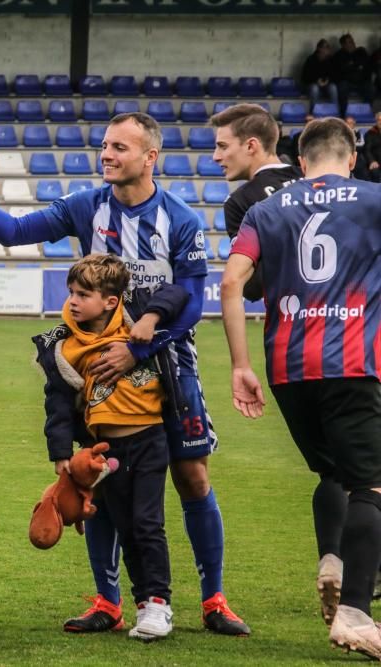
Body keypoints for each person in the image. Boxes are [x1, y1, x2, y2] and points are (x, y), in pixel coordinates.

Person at [0, 112, 251, 637]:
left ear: (150, 158)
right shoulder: (85, 206)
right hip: (98, 373)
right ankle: (108, 600)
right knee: (96, 480)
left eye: (120, 147)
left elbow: (190, 300)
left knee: (192, 477)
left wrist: (137, 350)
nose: (107, 154)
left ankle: (214, 598)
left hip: (168, 365)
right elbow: (16, 232)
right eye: (104, 145)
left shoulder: (180, 219)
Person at [221, 116, 380, 656]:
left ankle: (332, 556)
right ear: (351, 158)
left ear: (302, 161)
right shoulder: (372, 199)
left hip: (287, 369)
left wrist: (241, 365)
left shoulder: (265, 209)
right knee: (373, 485)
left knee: (333, 471)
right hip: (353, 363)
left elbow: (231, 282)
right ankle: (357, 615)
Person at [36, 254, 192, 641]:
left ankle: (159, 603)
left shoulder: (136, 316)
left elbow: (180, 292)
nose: (73, 300)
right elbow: (56, 404)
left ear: (110, 300)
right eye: (72, 292)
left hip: (151, 438)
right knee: (127, 526)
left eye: (83, 294)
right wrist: (61, 457)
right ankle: (143, 605)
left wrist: (151, 319)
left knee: (147, 523)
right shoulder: (64, 347)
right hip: (107, 453)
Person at [211, 103, 301, 301]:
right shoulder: (314, 178)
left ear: (251, 146)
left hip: (291, 320)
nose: (215, 157)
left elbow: (251, 288)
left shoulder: (241, 202)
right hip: (351, 317)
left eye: (222, 146)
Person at [332, 34, 373, 117]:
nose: (353, 43)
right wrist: (357, 66)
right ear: (343, 45)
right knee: (342, 86)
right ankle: (343, 114)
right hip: (347, 83)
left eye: (353, 41)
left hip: (361, 82)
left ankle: (367, 112)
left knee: (371, 88)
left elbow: (368, 67)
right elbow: (339, 72)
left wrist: (351, 66)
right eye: (350, 42)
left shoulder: (361, 52)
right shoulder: (338, 55)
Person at [302, 39, 339, 112]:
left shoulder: (331, 60)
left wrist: (328, 80)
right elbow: (305, 77)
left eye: (328, 47)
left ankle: (335, 113)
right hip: (313, 84)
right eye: (325, 47)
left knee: (333, 88)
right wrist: (316, 81)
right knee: (314, 88)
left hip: (327, 85)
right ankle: (314, 113)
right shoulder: (311, 59)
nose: (327, 49)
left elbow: (336, 76)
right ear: (319, 48)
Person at [364, 111, 381, 183]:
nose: (380, 122)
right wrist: (372, 161)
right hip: (376, 162)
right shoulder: (370, 133)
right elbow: (367, 150)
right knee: (375, 172)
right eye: (379, 120)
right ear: (376, 121)